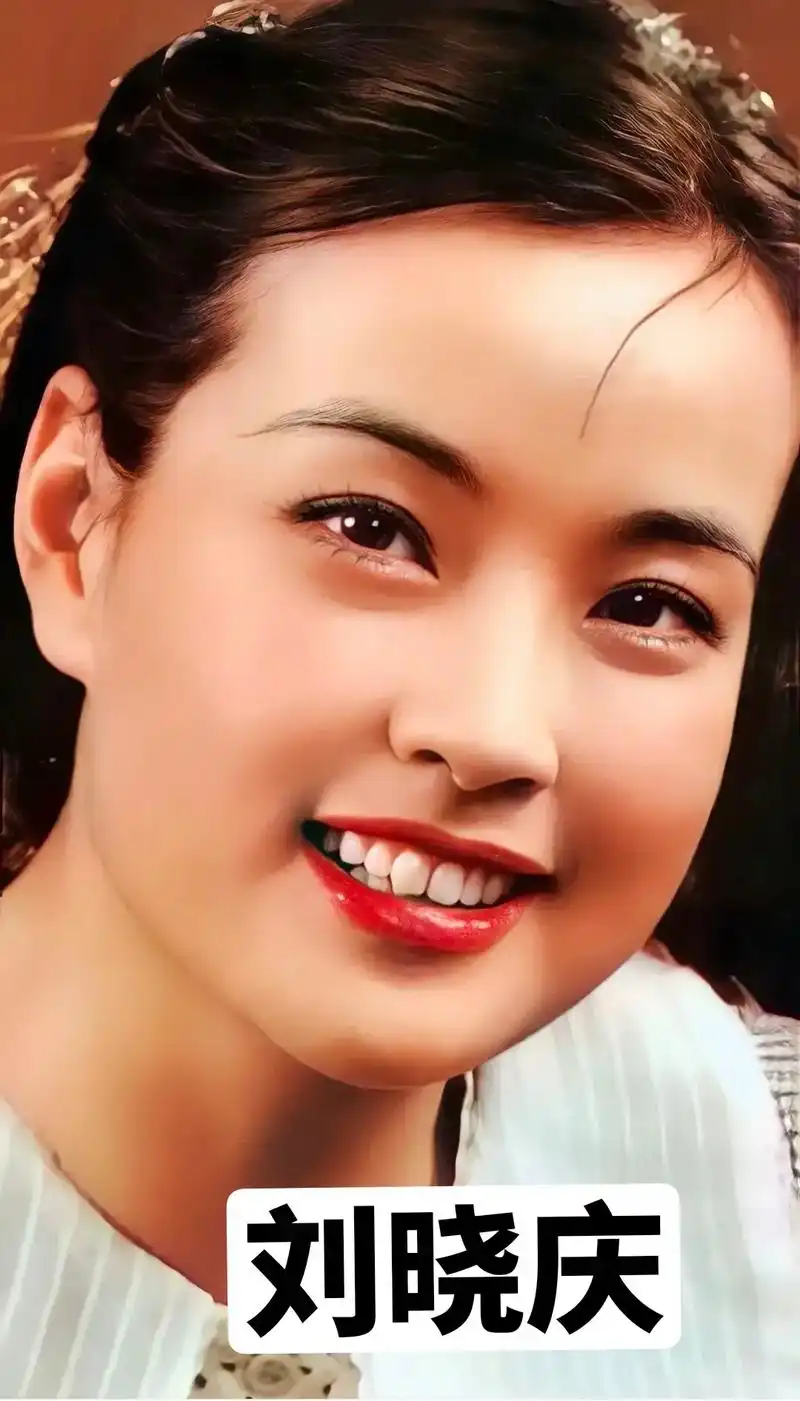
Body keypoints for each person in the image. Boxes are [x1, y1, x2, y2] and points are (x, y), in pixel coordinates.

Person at [0, 0, 797, 1396]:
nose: (493, 729)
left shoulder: (740, 1154)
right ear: (76, 520)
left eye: (651, 605)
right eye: (369, 528)